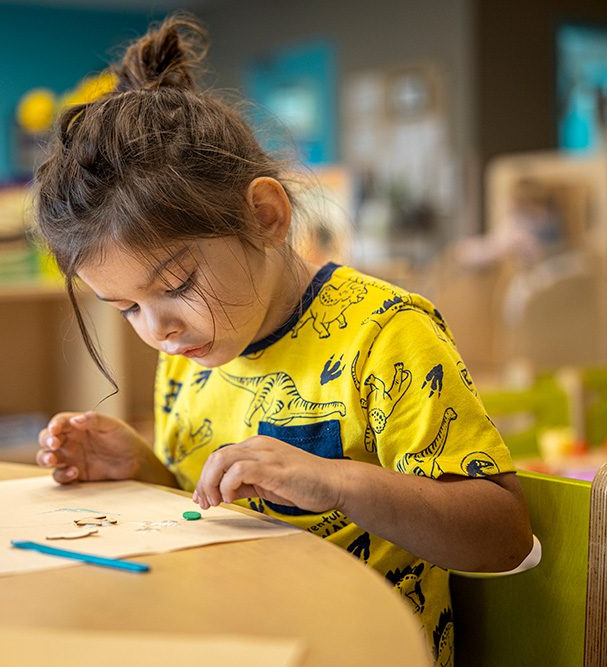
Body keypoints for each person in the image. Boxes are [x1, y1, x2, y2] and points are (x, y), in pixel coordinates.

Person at [33, 14, 531, 665]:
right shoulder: (192, 349)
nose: (158, 330)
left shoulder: (386, 336)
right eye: (126, 308)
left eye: (176, 284)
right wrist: (143, 468)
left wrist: (338, 482)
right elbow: (207, 510)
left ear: (265, 215)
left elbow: (503, 535)